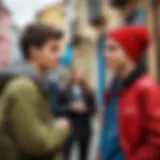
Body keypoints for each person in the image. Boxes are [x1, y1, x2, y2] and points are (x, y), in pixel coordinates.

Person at [0, 23, 70, 160]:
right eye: (53, 49)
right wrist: (62, 127)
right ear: (34, 51)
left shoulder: (32, 83)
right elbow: (37, 146)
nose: (59, 55)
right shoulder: (24, 88)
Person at [99, 25, 160, 160]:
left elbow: (157, 141)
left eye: (112, 49)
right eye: (106, 49)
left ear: (130, 52)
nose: (105, 55)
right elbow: (107, 132)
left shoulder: (147, 88)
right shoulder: (114, 87)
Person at [53, 68, 96, 160]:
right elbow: (56, 109)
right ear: (72, 75)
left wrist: (85, 109)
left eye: (82, 73)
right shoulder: (63, 91)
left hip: (85, 129)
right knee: (66, 155)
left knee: (84, 156)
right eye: (77, 73)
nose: (79, 76)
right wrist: (71, 107)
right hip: (70, 129)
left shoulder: (89, 90)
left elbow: (94, 108)